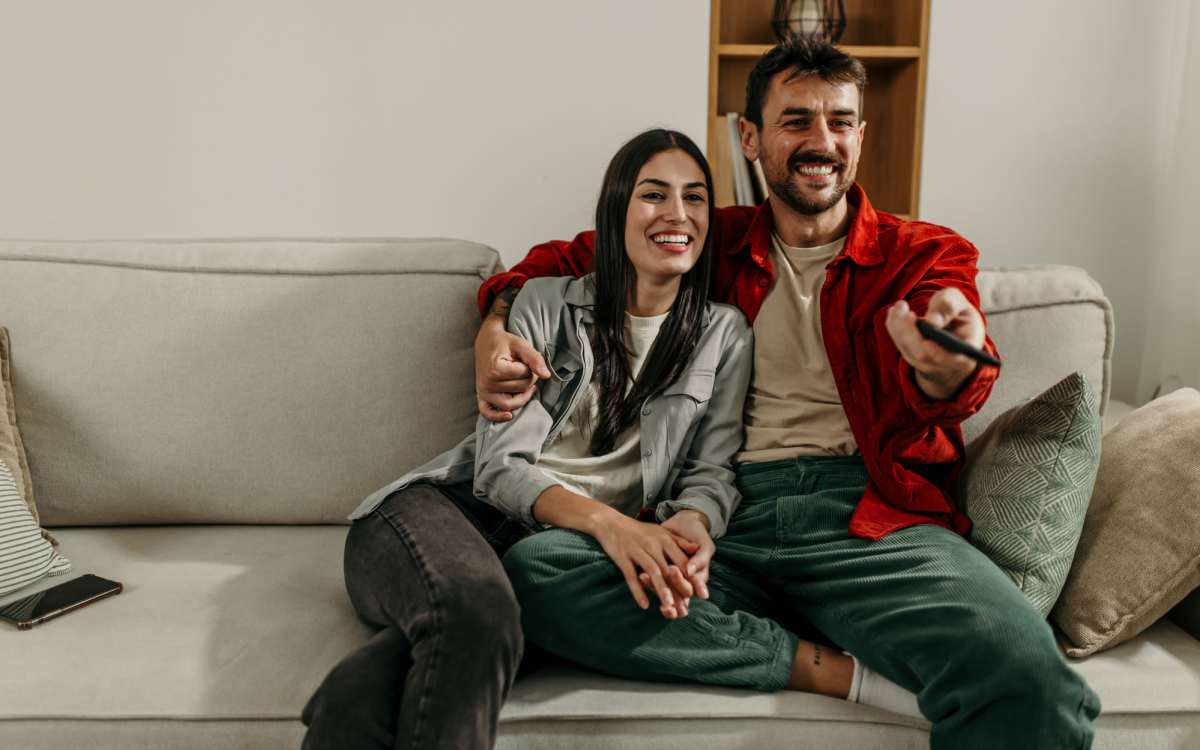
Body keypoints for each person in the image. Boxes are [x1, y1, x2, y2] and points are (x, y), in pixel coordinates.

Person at [477, 40, 1101, 749]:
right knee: (539, 572)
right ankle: (830, 670)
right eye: (796, 121)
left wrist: (945, 360)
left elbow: (958, 357)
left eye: (840, 121)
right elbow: (564, 263)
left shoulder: (922, 255)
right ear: (752, 138)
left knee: (1032, 683)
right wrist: (495, 322)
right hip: (720, 519)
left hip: (866, 523)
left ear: (861, 136)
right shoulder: (705, 239)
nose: (821, 141)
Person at [305, 127, 865, 750]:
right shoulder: (544, 304)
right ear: (617, 211)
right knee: (478, 614)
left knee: (373, 689)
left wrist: (696, 524)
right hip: (445, 513)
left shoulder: (724, 334)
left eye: (696, 197)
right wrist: (614, 525)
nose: (677, 214)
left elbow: (713, 470)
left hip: (549, 553)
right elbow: (500, 469)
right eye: (654, 195)